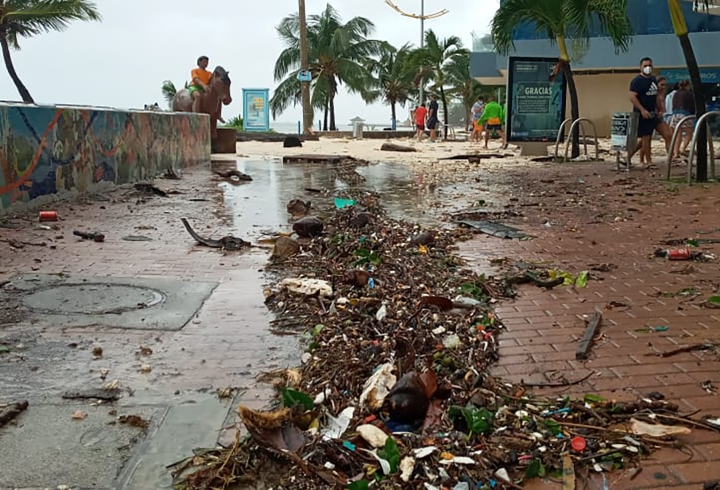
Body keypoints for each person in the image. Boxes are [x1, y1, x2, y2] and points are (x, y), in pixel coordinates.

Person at [629, 57, 661, 166]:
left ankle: (628, 156)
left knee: (646, 138)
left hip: (653, 113)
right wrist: (642, 110)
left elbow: (655, 95)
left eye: (650, 65)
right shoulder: (637, 81)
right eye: (645, 66)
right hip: (642, 114)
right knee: (646, 138)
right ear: (640, 67)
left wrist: (660, 108)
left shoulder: (653, 79)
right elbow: (632, 97)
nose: (648, 68)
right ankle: (648, 161)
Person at [189, 55, 224, 122]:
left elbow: (212, 81)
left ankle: (218, 115)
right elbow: (196, 79)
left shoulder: (209, 73)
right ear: (199, 62)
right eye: (204, 62)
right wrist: (203, 85)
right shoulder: (194, 70)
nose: (206, 63)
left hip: (205, 88)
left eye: (207, 62)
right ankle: (196, 114)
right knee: (197, 96)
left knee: (218, 98)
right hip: (195, 87)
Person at [670, 80, 695, 161]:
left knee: (678, 134)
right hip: (686, 114)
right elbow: (692, 106)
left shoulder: (676, 93)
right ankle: (683, 149)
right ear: (688, 85)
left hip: (675, 114)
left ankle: (676, 153)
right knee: (689, 133)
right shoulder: (689, 94)